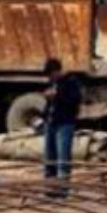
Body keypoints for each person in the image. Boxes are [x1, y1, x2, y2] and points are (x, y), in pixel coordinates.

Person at [42, 57, 82, 194]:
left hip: (65, 123)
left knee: (63, 158)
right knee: (49, 157)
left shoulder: (71, 83)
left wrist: (57, 96)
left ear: (57, 71)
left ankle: (63, 189)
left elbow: (74, 101)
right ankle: (50, 187)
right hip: (51, 123)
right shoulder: (52, 83)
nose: (50, 77)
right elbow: (49, 105)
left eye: (51, 74)